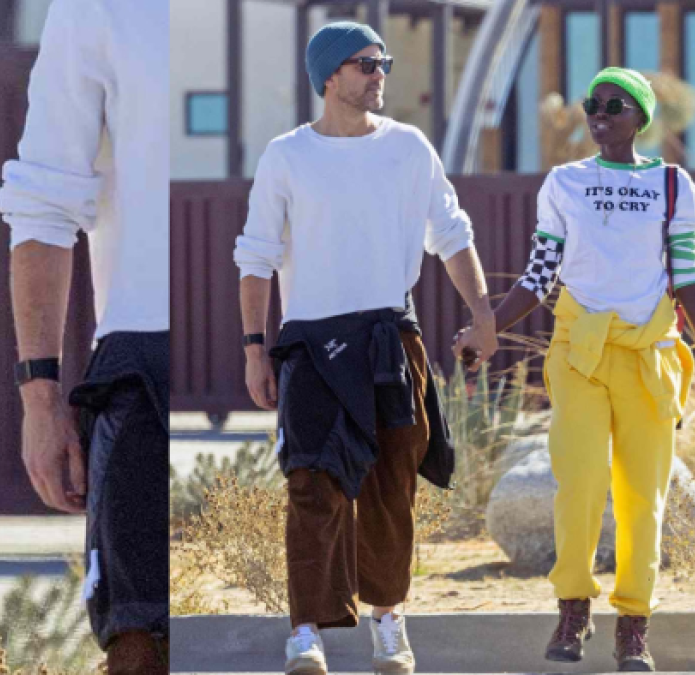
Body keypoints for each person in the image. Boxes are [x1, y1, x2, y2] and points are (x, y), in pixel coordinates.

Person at [233, 22, 499, 675]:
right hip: (311, 346)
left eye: (383, 63)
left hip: (390, 338)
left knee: (391, 487)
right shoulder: (287, 155)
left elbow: (452, 234)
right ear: (329, 76)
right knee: (312, 485)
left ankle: (388, 621)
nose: (380, 74)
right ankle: (306, 634)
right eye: (365, 63)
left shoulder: (409, 148)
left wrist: (483, 312)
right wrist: (253, 349)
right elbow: (255, 258)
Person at [455, 67, 695, 673]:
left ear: (641, 117)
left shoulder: (671, 185)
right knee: (579, 484)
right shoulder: (563, 182)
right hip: (579, 353)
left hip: (649, 356)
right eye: (593, 102)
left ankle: (633, 625)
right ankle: (573, 606)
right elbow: (539, 275)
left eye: (615, 103)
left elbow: (688, 275)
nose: (600, 112)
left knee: (644, 498)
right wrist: (488, 327)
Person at [0, 0, 170, 672]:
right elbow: (41, 206)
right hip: (142, 360)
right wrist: (40, 400)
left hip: (280, 345)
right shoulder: (97, 8)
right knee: (138, 649)